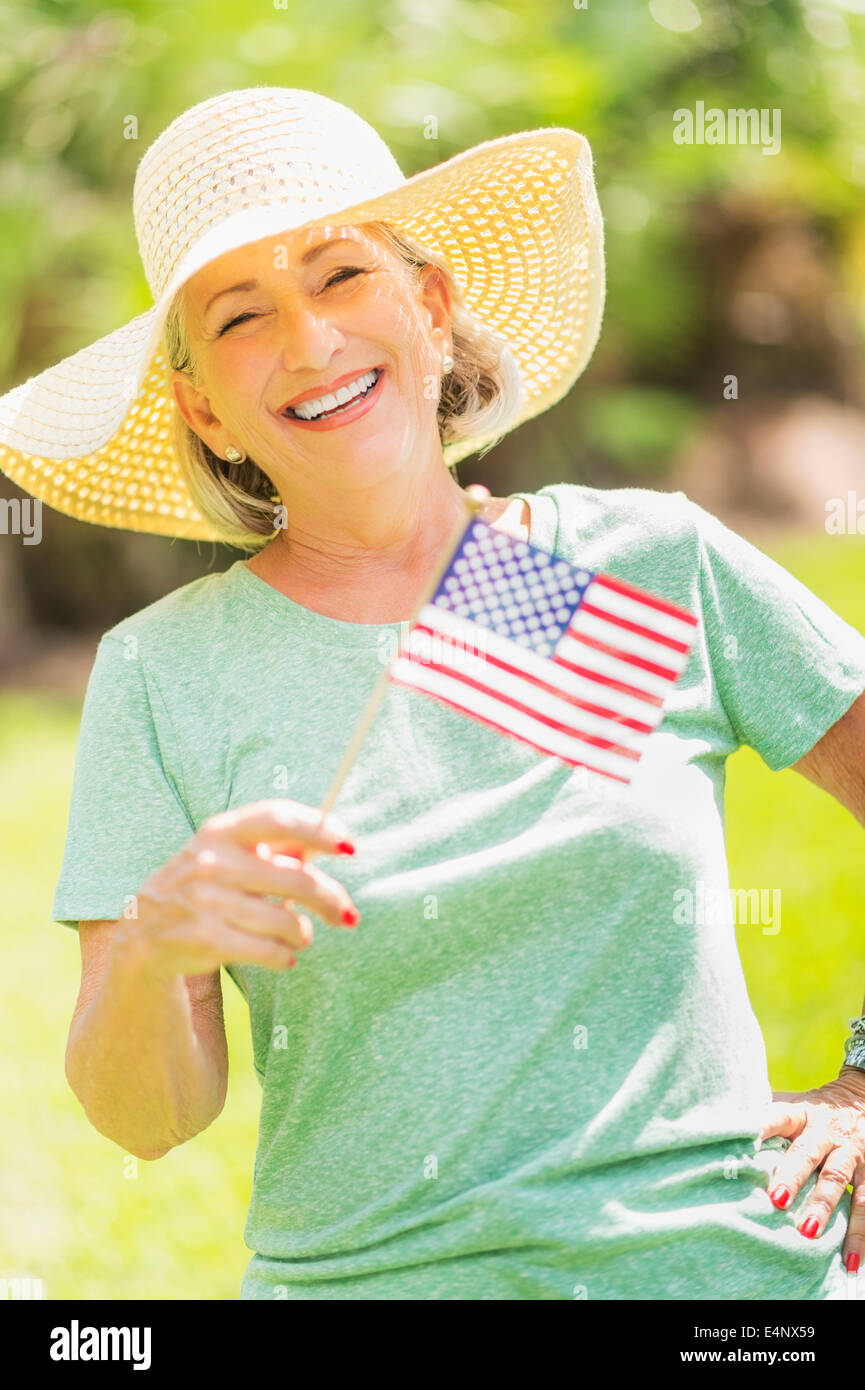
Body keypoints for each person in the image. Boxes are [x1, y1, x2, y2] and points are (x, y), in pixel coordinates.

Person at [2, 86, 864, 1301]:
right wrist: (154, 953)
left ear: (431, 304)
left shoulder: (642, 567)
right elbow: (144, 1122)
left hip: (726, 1287)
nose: (308, 342)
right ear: (203, 403)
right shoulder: (161, 673)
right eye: (242, 316)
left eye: (342, 276)